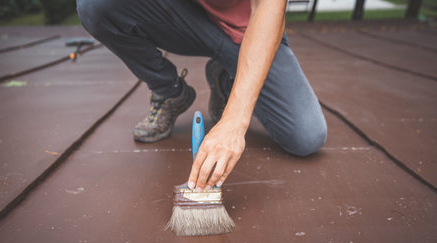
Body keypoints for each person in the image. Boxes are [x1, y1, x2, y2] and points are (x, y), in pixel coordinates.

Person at [77, 0, 327, 192]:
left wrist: (234, 121)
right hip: (190, 22)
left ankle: (227, 76)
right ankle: (169, 91)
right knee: (96, 4)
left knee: (307, 135)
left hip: (251, 29)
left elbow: (268, 8)